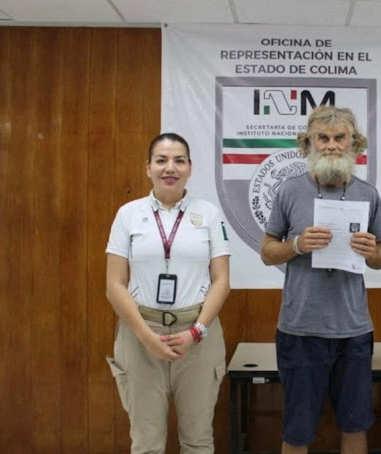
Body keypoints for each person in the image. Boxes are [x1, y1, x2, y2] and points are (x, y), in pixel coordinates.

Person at [260, 106, 381, 454]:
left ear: (353, 144)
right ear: (309, 143)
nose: (331, 145)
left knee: (355, 425)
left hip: (354, 331)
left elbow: (380, 258)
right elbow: (267, 251)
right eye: (324, 138)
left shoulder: (368, 194)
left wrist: (369, 251)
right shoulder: (288, 191)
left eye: (339, 138)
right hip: (300, 330)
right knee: (297, 432)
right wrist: (298, 245)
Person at [105, 132, 231, 454]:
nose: (170, 168)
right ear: (148, 167)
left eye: (179, 160)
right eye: (161, 160)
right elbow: (114, 285)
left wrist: (196, 332)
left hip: (197, 335)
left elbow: (221, 281)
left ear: (190, 167)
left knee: (198, 440)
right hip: (141, 333)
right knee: (146, 443)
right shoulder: (128, 214)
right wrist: (146, 337)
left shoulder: (210, 214)